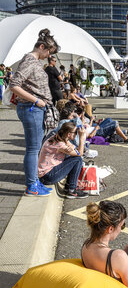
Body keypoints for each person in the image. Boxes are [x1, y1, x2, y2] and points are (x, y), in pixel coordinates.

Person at [10, 28, 60, 196]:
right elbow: (14, 85)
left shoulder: (33, 61)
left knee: (35, 147)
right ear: (41, 46)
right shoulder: (29, 61)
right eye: (48, 52)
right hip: (32, 108)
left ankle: (34, 183)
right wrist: (37, 100)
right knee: (33, 149)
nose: (48, 56)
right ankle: (32, 186)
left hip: (34, 109)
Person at [38, 121, 88, 199]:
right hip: (47, 176)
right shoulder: (60, 145)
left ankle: (69, 186)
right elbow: (80, 153)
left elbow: (75, 149)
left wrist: (73, 147)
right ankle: (71, 190)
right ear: (69, 134)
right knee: (77, 160)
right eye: (75, 133)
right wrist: (82, 138)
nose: (76, 134)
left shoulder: (57, 137)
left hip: (44, 174)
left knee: (74, 158)